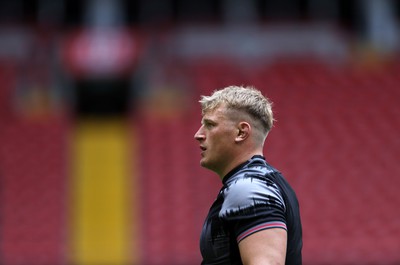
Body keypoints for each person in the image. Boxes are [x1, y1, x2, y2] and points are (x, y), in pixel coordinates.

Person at [194, 85, 302, 265]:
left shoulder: (250, 188)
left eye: (210, 125)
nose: (198, 134)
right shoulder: (262, 182)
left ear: (241, 132)